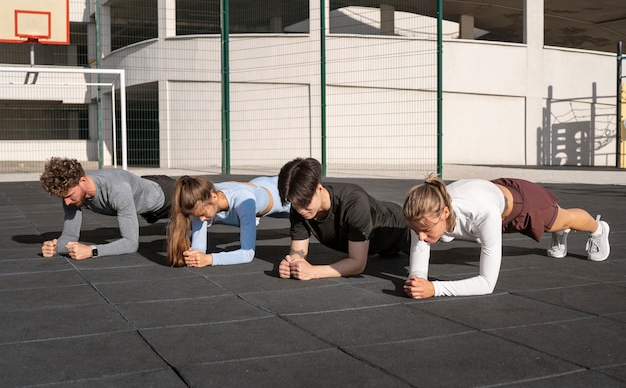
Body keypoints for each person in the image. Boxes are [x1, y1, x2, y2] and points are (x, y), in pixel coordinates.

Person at [402, 174, 611, 298]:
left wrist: (434, 289)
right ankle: (558, 231)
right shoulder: (425, 214)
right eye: (416, 230)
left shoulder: (484, 215)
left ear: (445, 213)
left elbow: (486, 283)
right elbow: (419, 269)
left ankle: (598, 228)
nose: (420, 237)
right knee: (433, 234)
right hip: (492, 193)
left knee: (565, 218)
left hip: (521, 204)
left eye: (426, 230)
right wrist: (416, 281)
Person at [277, 157, 411, 280]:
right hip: (377, 246)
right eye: (294, 203)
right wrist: (291, 265)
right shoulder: (299, 207)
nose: (300, 210)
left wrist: (313, 272)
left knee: (425, 254)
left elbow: (357, 264)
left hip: (399, 227)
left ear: (319, 189)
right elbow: (298, 254)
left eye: (305, 204)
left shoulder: (353, 202)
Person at [39, 157, 176, 259]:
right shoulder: (72, 194)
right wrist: (55, 247)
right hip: (144, 192)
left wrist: (91, 250)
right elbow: (70, 236)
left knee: (193, 223)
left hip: (170, 195)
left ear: (83, 182)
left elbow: (131, 244)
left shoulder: (117, 189)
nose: (67, 203)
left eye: (69, 196)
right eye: (63, 198)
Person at [167, 175, 290, 267]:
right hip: (259, 185)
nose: (201, 219)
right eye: (197, 216)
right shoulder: (202, 199)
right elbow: (199, 248)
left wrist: (209, 259)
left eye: (204, 214)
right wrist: (194, 256)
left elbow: (247, 254)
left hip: (285, 195)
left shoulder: (244, 202)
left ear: (214, 197)